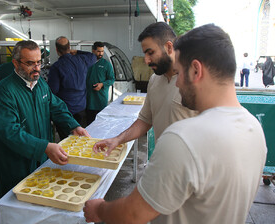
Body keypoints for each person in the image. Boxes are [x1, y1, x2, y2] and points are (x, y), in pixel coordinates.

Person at [83, 24, 267, 224]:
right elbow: (146, 119)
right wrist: (117, 139)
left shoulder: (182, 139)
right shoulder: (254, 129)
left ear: (196, 70)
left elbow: (134, 213)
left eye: (180, 72)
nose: (177, 83)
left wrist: (100, 209)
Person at [0, 40, 89, 197]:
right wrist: (44, 146)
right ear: (15, 63)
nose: (37, 69)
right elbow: (9, 132)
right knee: (18, 209)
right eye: (30, 63)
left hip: (41, 159)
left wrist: (73, 126)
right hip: (17, 164)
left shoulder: (39, 84)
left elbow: (56, 107)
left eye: (38, 62)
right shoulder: (4, 92)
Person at [90, 22, 197, 158]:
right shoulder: (154, 81)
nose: (146, 60)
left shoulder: (194, 82)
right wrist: (117, 140)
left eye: (150, 53)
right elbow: (145, 120)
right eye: (145, 54)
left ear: (169, 47)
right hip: (162, 164)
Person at [47, 36, 96, 139]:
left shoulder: (56, 67)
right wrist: (77, 51)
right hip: (81, 108)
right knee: (79, 137)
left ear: (56, 50)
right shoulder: (82, 60)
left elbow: (53, 91)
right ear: (69, 47)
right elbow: (93, 56)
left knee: (66, 140)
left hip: (65, 111)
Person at [85, 41, 115, 125]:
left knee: (101, 124)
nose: (101, 53)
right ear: (93, 50)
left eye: (102, 51)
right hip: (88, 100)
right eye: (98, 51)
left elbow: (112, 79)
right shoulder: (87, 63)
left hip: (101, 100)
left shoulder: (106, 64)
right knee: (89, 124)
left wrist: (102, 84)